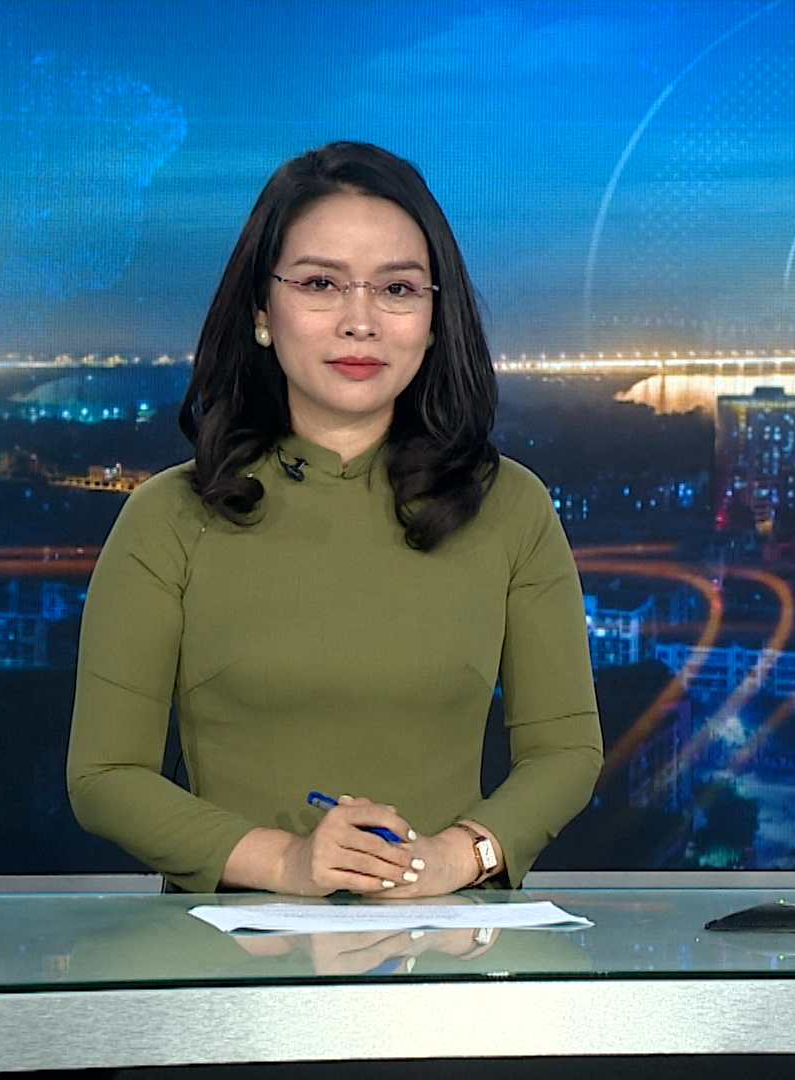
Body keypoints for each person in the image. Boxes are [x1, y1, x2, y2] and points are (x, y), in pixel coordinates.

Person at [67, 142, 602, 896]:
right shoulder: (169, 518)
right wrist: (286, 862)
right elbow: (104, 776)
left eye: (397, 289)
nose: (361, 322)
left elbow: (566, 751)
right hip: (229, 948)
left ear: (435, 317)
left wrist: (454, 857)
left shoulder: (511, 507)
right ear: (261, 310)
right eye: (321, 283)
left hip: (449, 940)